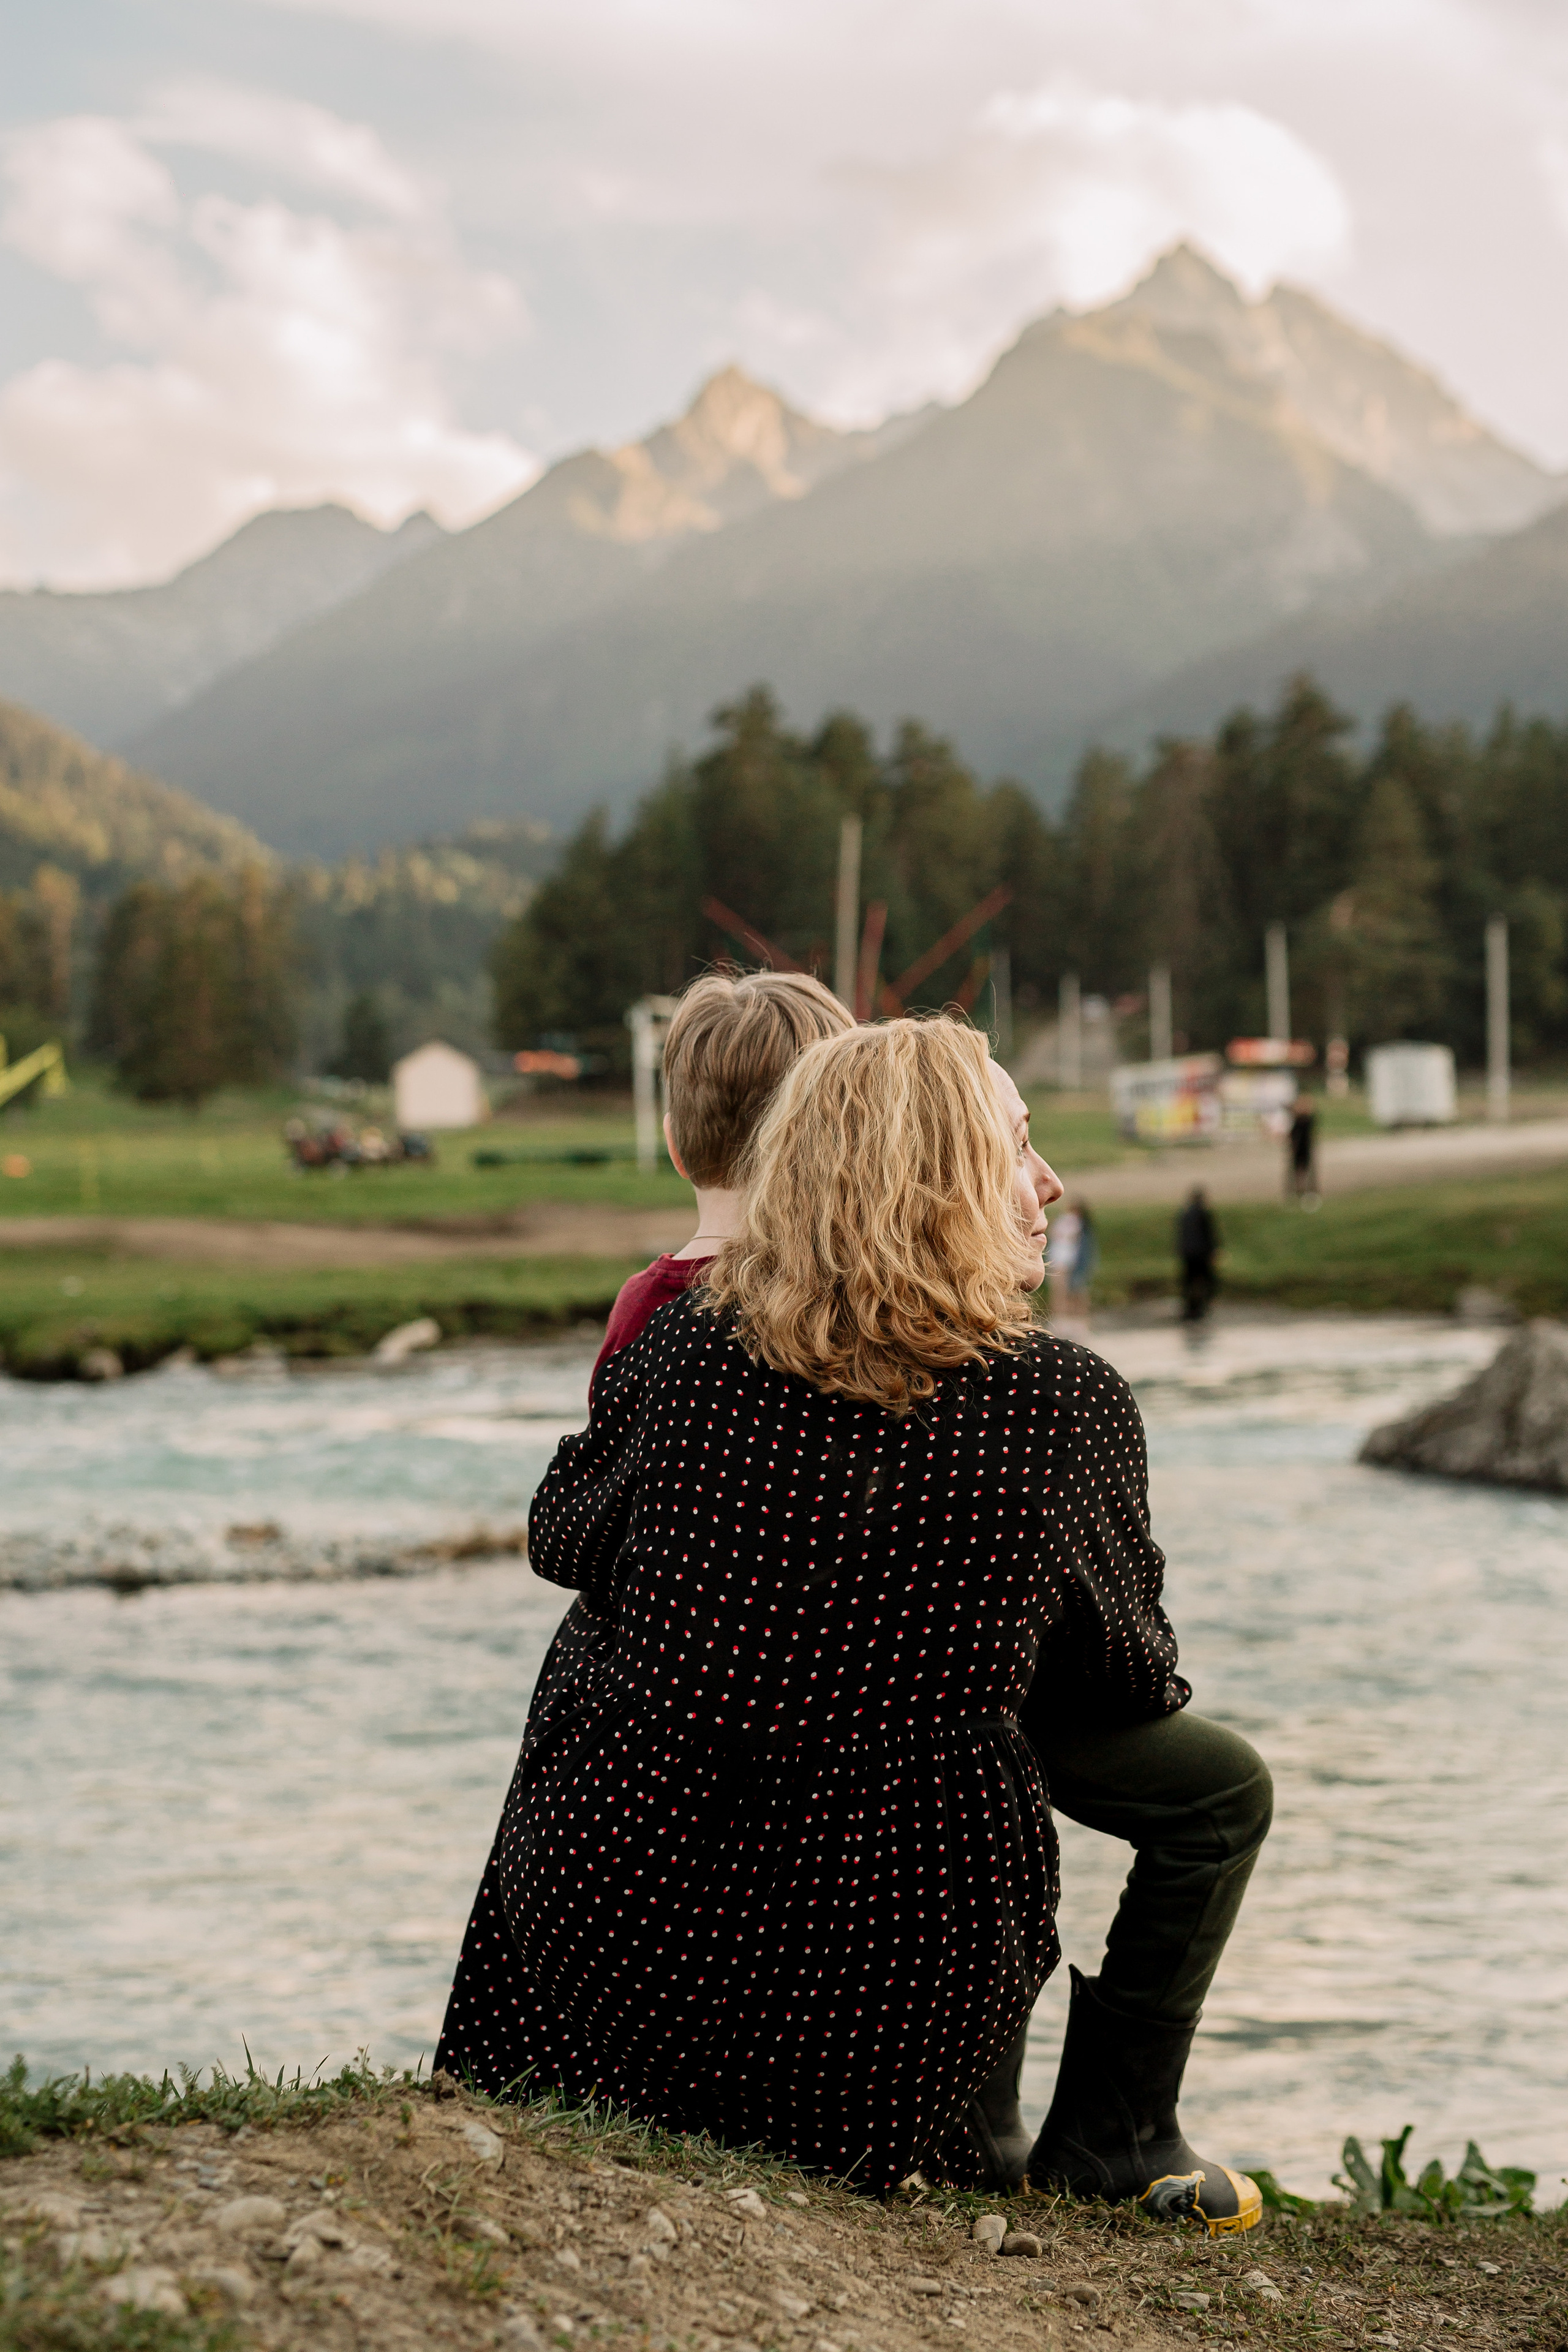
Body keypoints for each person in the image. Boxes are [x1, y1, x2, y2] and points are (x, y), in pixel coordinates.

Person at [438, 1015, 1270, 2230]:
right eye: (1014, 1149)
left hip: (613, 1956)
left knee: (601, 1663)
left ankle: (527, 2074)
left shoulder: (682, 1345)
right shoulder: (1061, 1402)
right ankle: (1115, 2130)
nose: (1047, 1185)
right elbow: (1129, 1673)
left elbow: (564, 1538)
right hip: (890, 2007)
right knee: (1190, 1785)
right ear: (930, 1178)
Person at [1177, 1186, 1219, 1324]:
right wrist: (1213, 1251)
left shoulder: (1184, 1214)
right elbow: (1209, 1235)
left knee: (1189, 1280)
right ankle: (1200, 1307)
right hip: (1201, 1253)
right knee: (1205, 1280)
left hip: (1187, 1253)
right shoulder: (1203, 1214)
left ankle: (1189, 1307)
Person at [1287, 1091, 1319, 1205]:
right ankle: (1298, 1191)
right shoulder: (1297, 1119)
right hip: (1298, 1147)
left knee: (1307, 1170)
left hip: (1305, 1147)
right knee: (1297, 1171)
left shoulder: (1307, 1119)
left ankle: (1309, 1191)